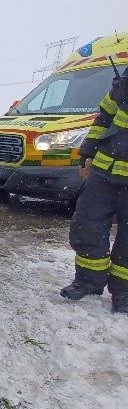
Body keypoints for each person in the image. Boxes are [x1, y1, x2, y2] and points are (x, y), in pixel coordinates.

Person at [60, 66, 128, 313]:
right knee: (87, 225)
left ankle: (124, 291)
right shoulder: (123, 82)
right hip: (104, 172)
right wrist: (87, 152)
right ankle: (88, 282)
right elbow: (104, 119)